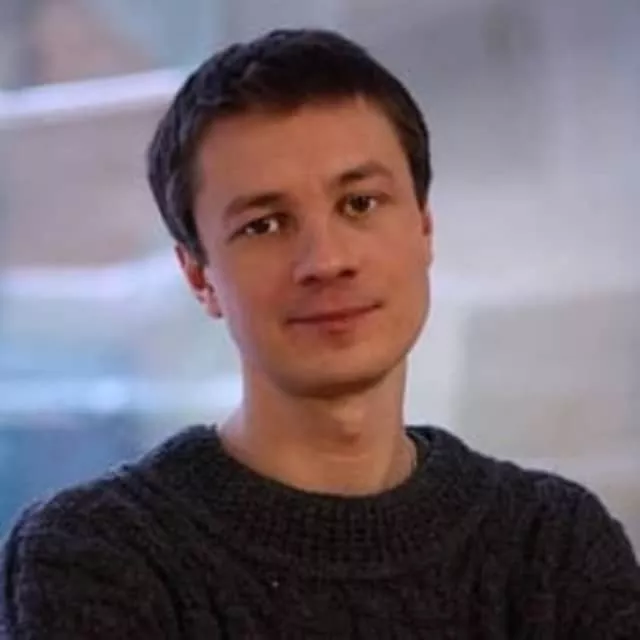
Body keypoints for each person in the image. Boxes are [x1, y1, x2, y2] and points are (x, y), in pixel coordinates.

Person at [1, 28, 639, 639]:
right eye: (264, 225)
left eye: (360, 203)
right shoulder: (97, 557)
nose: (327, 261)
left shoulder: (553, 549)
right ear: (199, 276)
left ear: (423, 228)